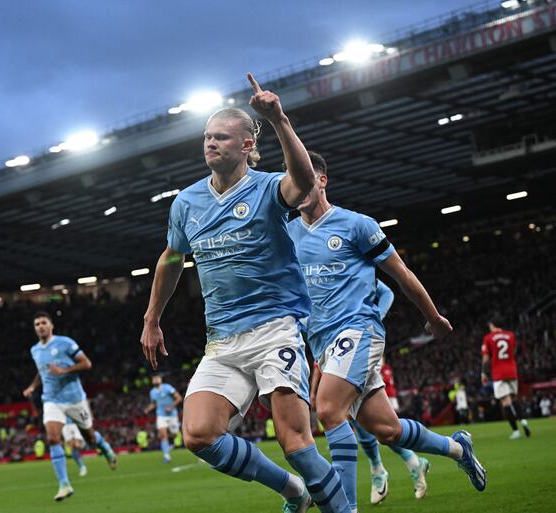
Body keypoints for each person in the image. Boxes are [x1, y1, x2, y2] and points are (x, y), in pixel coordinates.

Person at [141, 73, 350, 513]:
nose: (210, 144)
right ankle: (292, 490)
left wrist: (279, 120)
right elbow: (171, 259)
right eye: (206, 137)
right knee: (198, 434)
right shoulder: (187, 203)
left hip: (276, 328)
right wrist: (152, 318)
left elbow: (305, 183)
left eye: (221, 137)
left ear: (247, 146)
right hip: (222, 340)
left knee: (295, 441)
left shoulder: (269, 188)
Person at [288, 151, 487, 511]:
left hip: (359, 330)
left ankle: (344, 508)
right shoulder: (287, 235)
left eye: (306, 178)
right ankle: (459, 448)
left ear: (322, 180)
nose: (299, 186)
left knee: (329, 409)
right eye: (293, 179)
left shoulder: (356, 225)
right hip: (321, 343)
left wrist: (434, 317)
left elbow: (401, 275)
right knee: (388, 430)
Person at [313, 279, 430, 505]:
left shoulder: (353, 263)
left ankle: (385, 469)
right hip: (339, 341)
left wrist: (376, 315)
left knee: (361, 414)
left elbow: (387, 294)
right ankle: (407, 463)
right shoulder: (323, 268)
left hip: (362, 340)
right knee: (358, 416)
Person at [23, 311, 117, 502]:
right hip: (51, 400)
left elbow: (86, 363)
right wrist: (33, 386)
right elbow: (42, 372)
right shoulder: (35, 350)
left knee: (89, 438)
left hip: (75, 400)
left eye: (43, 323)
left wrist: (64, 370)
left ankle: (104, 447)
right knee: (52, 438)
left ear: (51, 325)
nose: (40, 326)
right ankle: (64, 484)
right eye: (37, 324)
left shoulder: (65, 343)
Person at [481, 321, 531, 439]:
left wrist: (483, 373)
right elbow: (513, 351)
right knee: (514, 398)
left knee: (506, 402)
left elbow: (486, 358)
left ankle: (515, 431)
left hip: (499, 372)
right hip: (512, 371)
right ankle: (523, 420)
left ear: (492, 325)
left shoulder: (488, 338)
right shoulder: (510, 335)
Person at [143, 374, 182, 463]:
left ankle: (170, 444)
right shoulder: (152, 392)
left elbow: (179, 398)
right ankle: (166, 456)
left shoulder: (167, 387)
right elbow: (154, 403)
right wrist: (147, 409)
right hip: (161, 415)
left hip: (172, 415)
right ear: (152, 381)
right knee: (163, 435)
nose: (155, 379)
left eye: (157, 378)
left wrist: (171, 407)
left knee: (175, 434)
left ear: (161, 379)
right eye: (154, 378)